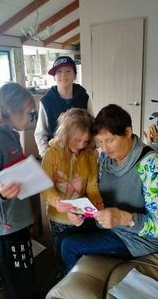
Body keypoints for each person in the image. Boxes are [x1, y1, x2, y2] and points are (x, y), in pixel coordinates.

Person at [60, 104, 158, 273]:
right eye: (100, 142)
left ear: (127, 132)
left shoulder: (150, 165)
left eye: (110, 140)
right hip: (107, 223)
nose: (104, 148)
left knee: (70, 246)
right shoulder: (105, 158)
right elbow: (95, 192)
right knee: (60, 238)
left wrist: (122, 217)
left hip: (136, 238)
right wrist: (79, 210)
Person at [0, 82, 38, 299]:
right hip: (6, 225)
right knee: (14, 275)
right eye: (28, 113)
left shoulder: (12, 133)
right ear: (11, 112)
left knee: (25, 264)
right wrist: (0, 190)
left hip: (18, 216)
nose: (30, 118)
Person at [40, 108, 104, 254]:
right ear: (65, 134)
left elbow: (92, 186)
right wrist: (57, 202)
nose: (81, 145)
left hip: (82, 213)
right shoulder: (51, 154)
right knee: (60, 246)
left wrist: (97, 201)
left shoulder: (90, 155)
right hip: (58, 216)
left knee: (77, 249)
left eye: (86, 141)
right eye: (77, 140)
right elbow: (45, 187)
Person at [34, 56, 93, 157]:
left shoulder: (84, 97)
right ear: (54, 76)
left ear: (75, 75)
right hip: (57, 154)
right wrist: (46, 154)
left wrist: (90, 149)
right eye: (59, 72)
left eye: (68, 71)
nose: (63, 75)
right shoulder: (46, 101)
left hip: (81, 153)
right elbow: (40, 133)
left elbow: (92, 125)